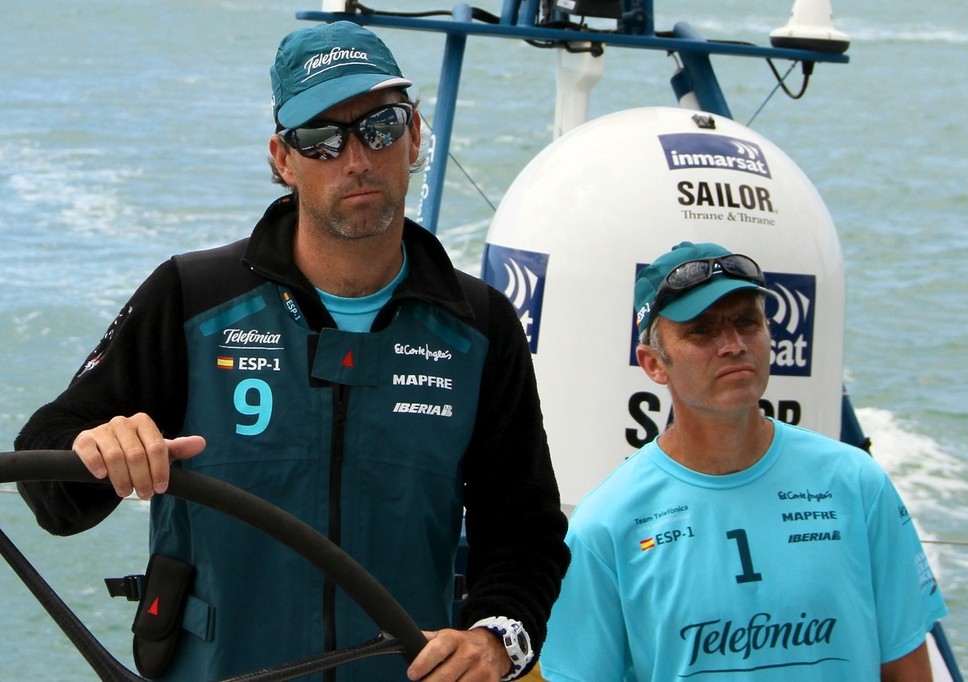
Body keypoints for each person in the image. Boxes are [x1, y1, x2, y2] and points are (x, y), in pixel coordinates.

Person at [15, 20, 568, 682]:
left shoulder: (479, 326)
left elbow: (525, 529)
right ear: (283, 158)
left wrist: (497, 635)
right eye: (320, 139)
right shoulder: (190, 299)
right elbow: (50, 490)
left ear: (416, 133)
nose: (356, 158)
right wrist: (101, 448)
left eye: (380, 127)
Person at [540, 241, 948, 681]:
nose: (732, 345)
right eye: (702, 330)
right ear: (654, 364)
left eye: (746, 322)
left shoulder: (856, 483)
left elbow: (907, 666)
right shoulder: (607, 526)